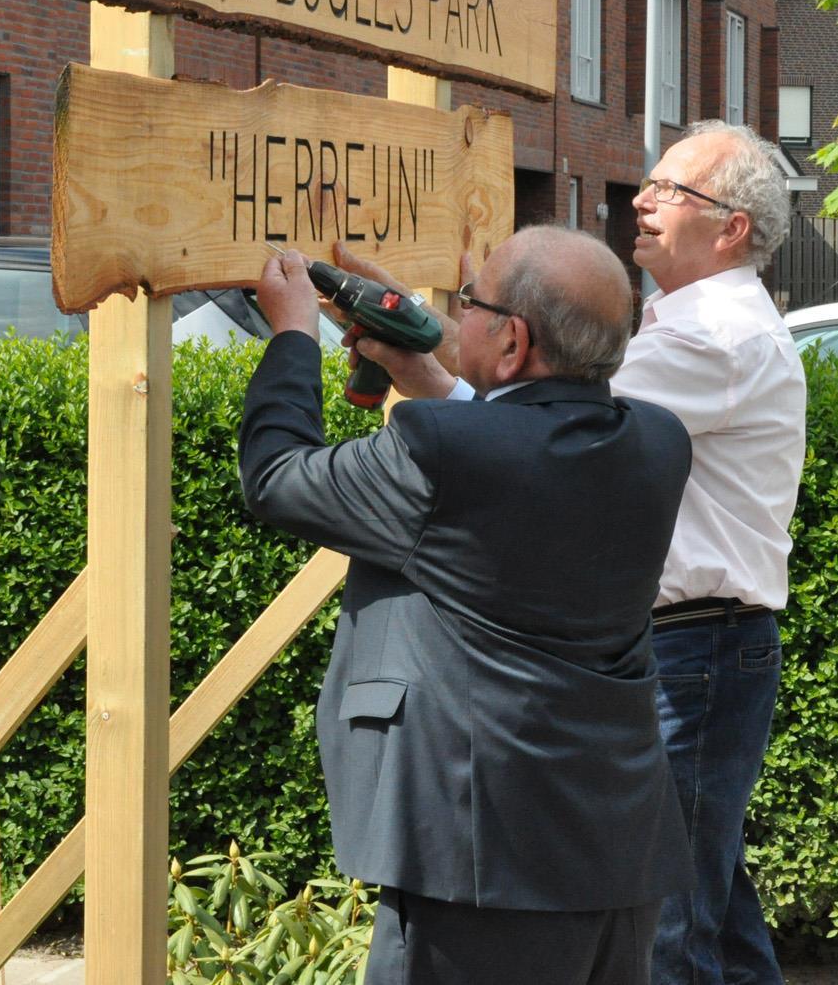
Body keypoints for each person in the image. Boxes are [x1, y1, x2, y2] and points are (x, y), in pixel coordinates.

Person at [336, 122, 806, 985]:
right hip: (694, 647)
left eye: (673, 191)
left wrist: (424, 334)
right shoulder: (699, 325)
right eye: (649, 183)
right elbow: (525, 416)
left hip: (691, 649)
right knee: (711, 913)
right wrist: (433, 358)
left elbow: (540, 413)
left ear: (732, 225)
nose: (642, 199)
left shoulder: (713, 338)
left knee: (673, 927)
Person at [239, 226, 694, 985]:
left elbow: (278, 477)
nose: (458, 319)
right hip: (616, 850)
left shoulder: (443, 449)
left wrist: (289, 333)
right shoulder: (657, 442)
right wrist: (420, 367)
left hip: (479, 863)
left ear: (511, 341)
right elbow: (519, 448)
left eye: (469, 305)